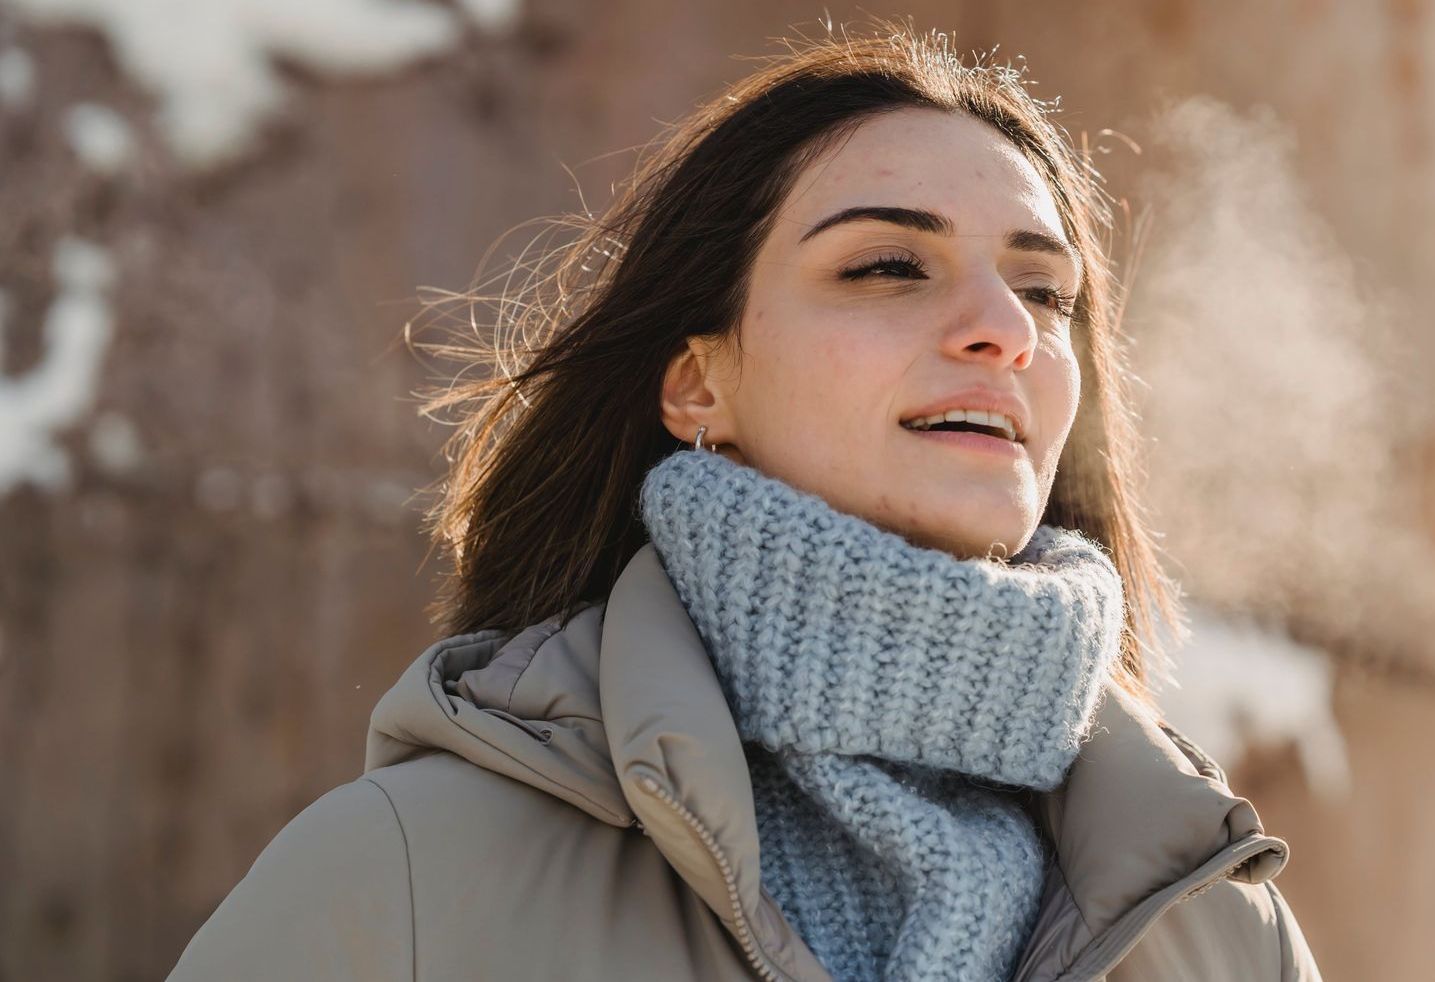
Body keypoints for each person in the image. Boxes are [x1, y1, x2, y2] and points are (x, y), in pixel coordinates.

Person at [168, 20, 1321, 982]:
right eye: (887, 266)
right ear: (699, 380)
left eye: (1045, 289)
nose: (1007, 330)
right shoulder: (411, 879)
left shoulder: (1222, 934)